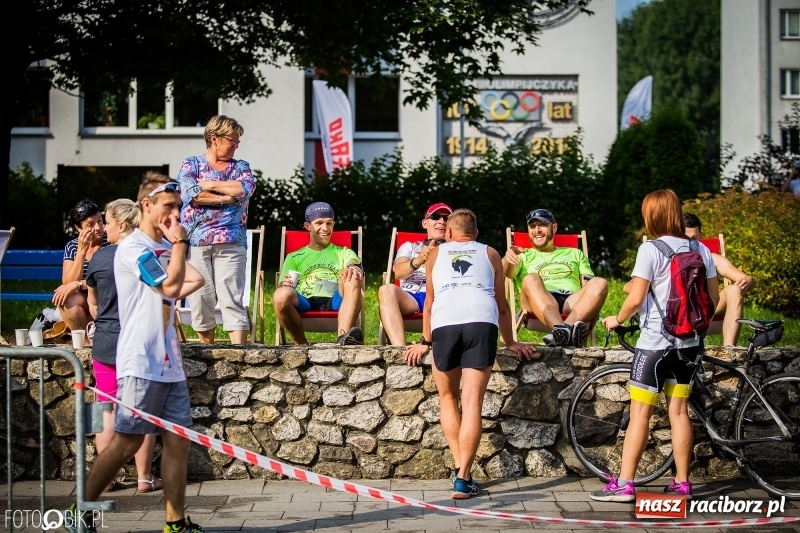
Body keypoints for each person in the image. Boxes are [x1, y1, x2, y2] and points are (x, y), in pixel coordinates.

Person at [73, 173, 206, 533]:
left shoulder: (161, 246)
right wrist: (179, 245)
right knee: (126, 441)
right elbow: (171, 285)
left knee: (178, 441)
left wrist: (173, 246)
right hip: (140, 362)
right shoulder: (133, 249)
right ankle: (79, 509)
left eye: (178, 207)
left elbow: (194, 280)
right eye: (168, 206)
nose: (175, 214)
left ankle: (175, 522)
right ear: (147, 205)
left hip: (170, 363)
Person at [590, 189, 719, 503]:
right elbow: (712, 299)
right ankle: (682, 483)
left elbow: (635, 298)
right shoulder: (700, 248)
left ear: (652, 216)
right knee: (678, 412)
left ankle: (625, 484)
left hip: (655, 346)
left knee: (640, 415)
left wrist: (616, 319)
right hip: (688, 345)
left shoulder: (649, 250)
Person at [405, 208, 535, 499]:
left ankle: (459, 469)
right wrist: (511, 342)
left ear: (448, 233)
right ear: (475, 233)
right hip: (481, 322)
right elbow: (502, 305)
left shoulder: (435, 254)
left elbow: (428, 303)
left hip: (445, 324)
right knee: (472, 402)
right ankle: (463, 475)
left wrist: (424, 342)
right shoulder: (490, 253)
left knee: (448, 398)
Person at [85, 198, 161, 494]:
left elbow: (93, 303)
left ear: (123, 224)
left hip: (105, 342)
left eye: (106, 222)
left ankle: (106, 480)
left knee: (106, 411)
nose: (103, 228)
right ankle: (144, 478)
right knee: (141, 413)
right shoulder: (145, 254)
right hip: (139, 344)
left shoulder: (100, 258)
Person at [177, 114, 256, 345]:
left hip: (232, 242)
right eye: (232, 140)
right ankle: (206, 355)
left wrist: (210, 184)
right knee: (200, 299)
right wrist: (226, 198)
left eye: (237, 141)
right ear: (214, 138)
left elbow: (245, 189)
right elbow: (192, 193)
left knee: (231, 296)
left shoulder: (241, 167)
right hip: (195, 242)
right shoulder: (191, 164)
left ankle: (240, 355)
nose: (236, 145)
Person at [502, 208, 608, 348]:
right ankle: (564, 330)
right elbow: (507, 273)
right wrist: (508, 257)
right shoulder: (522, 256)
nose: (537, 230)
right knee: (531, 278)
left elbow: (588, 282)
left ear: (554, 227)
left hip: (571, 303)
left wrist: (592, 292)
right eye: (532, 226)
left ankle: (563, 331)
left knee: (600, 282)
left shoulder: (574, 253)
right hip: (537, 304)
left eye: (542, 225)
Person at [274, 202, 365, 346]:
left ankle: (343, 340)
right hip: (305, 301)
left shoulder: (343, 252)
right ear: (307, 226)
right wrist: (284, 284)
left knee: (353, 275)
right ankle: (300, 344)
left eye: (329, 223)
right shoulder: (294, 257)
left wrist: (352, 268)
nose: (325, 228)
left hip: (336, 300)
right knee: (281, 295)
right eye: (319, 223)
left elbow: (353, 264)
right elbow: (281, 288)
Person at [378, 202, 452, 345]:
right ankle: (400, 352)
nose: (441, 221)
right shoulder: (410, 247)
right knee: (386, 290)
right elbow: (398, 272)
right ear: (425, 223)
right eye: (436, 217)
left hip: (441, 297)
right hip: (411, 297)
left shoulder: (456, 249)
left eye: (446, 218)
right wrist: (418, 260)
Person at [684, 213, 756, 346]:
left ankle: (728, 351)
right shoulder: (667, 258)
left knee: (734, 290)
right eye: (686, 239)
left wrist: (748, 281)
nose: (691, 244)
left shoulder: (710, 257)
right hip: (682, 311)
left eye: (695, 238)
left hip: (709, 307)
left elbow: (747, 278)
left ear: (701, 235)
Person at [52, 199, 109, 334]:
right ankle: (84, 344)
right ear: (78, 228)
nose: (98, 227)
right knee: (67, 298)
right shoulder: (72, 246)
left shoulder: (110, 241)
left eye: (100, 220)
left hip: (107, 297)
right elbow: (67, 283)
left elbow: (108, 279)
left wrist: (78, 284)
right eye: (90, 224)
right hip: (85, 301)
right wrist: (81, 252)